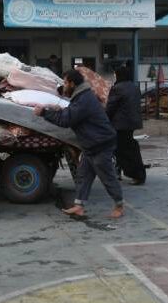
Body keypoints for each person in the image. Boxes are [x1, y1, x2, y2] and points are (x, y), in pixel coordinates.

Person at [34, 70, 123, 219]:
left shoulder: (84, 99)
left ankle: (119, 205)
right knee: (83, 176)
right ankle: (79, 207)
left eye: (65, 82)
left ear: (72, 84)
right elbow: (70, 113)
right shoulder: (80, 97)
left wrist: (44, 113)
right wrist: (59, 109)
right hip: (91, 145)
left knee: (107, 176)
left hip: (101, 144)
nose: (64, 85)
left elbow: (66, 120)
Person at [106, 66, 146, 185]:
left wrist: (103, 118)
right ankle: (129, 172)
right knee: (127, 148)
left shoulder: (117, 88)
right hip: (132, 123)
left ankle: (136, 175)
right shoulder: (134, 87)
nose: (114, 76)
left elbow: (111, 107)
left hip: (121, 124)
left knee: (123, 150)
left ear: (119, 75)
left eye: (115, 74)